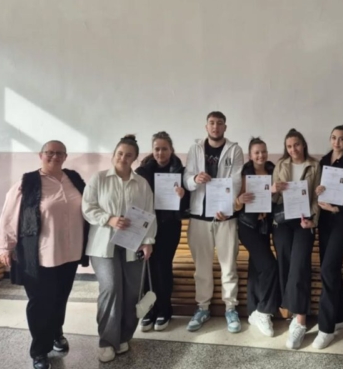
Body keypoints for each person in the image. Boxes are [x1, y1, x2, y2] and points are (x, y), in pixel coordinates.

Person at [0, 141, 88, 369]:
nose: (54, 156)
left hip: (70, 252)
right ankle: (39, 350)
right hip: (40, 254)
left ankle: (56, 333)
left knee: (60, 298)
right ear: (41, 155)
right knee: (40, 303)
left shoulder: (74, 179)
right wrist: (5, 246)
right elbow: (9, 215)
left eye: (59, 153)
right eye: (50, 152)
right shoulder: (27, 183)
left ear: (65, 156)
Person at [82, 135, 156, 363]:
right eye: (120, 153)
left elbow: (149, 214)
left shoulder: (141, 184)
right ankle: (106, 341)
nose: (123, 158)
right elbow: (87, 207)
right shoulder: (99, 179)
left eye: (128, 155)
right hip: (103, 245)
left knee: (132, 292)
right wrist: (109, 219)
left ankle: (123, 336)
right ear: (114, 154)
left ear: (135, 159)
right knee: (111, 288)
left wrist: (148, 241)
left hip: (132, 245)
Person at [183, 111, 244, 333]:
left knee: (228, 265)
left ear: (225, 127)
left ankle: (230, 308)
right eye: (211, 123)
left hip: (226, 217)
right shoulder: (195, 149)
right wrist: (194, 179)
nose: (215, 127)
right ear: (206, 126)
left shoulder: (235, 150)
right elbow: (186, 178)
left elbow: (236, 181)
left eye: (219, 123)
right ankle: (203, 308)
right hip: (199, 215)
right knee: (202, 267)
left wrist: (226, 209)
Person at [312, 124, 343, 350]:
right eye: (334, 137)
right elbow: (316, 189)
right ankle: (341, 316)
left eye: (342, 139)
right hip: (324, 221)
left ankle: (326, 328)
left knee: (328, 269)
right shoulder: (323, 162)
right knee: (330, 267)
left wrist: (337, 208)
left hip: (341, 221)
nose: (337, 142)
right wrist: (318, 192)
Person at [271, 128, 321, 349]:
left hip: (304, 221)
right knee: (285, 263)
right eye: (289, 146)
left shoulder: (315, 165)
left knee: (300, 264)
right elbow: (272, 198)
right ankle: (291, 312)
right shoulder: (281, 165)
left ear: (303, 144)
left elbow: (318, 197)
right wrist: (274, 189)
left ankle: (300, 320)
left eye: (297, 145)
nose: (293, 149)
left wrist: (313, 220)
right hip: (282, 221)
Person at [135, 131, 188, 332]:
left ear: (171, 150)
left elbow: (188, 204)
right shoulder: (142, 171)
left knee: (162, 267)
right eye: (157, 149)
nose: (160, 152)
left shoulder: (181, 171)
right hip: (146, 224)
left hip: (169, 226)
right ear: (152, 150)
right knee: (147, 266)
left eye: (164, 149)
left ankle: (164, 310)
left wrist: (183, 196)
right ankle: (149, 310)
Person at [233, 137, 281, 337]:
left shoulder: (273, 171)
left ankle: (253, 310)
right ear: (250, 155)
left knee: (256, 266)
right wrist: (239, 200)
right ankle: (264, 310)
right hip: (248, 226)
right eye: (256, 152)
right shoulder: (243, 173)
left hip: (265, 226)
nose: (261, 155)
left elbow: (276, 199)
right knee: (270, 266)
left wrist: (276, 192)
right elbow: (234, 205)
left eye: (263, 151)